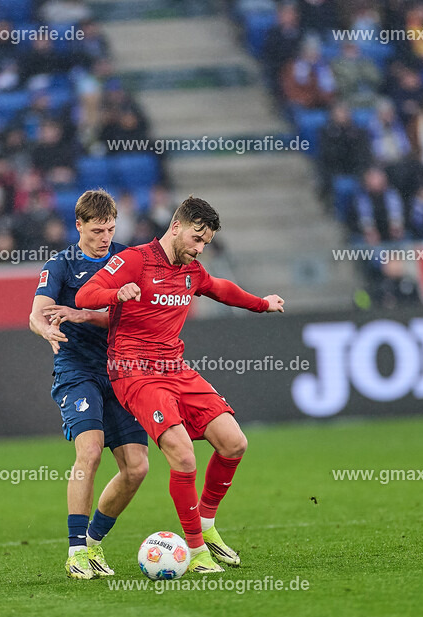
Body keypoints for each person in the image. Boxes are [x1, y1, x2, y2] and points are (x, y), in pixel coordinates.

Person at [75, 196, 285, 573]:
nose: (200, 248)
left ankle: (205, 524)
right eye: (196, 238)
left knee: (234, 442)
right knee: (183, 455)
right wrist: (116, 293)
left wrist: (261, 304)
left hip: (176, 369)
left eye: (205, 243)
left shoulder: (192, 270)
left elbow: (221, 289)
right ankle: (197, 552)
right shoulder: (136, 259)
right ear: (176, 227)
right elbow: (85, 295)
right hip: (133, 371)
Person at [29, 189, 150, 579]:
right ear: (78, 225)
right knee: (91, 452)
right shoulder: (61, 265)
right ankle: (76, 550)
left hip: (120, 371)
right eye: (97, 230)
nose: (105, 238)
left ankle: (94, 542)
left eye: (111, 229)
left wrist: (82, 314)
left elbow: (135, 320)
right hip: (76, 370)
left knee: (137, 468)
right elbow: (35, 313)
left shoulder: (126, 259)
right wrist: (45, 329)